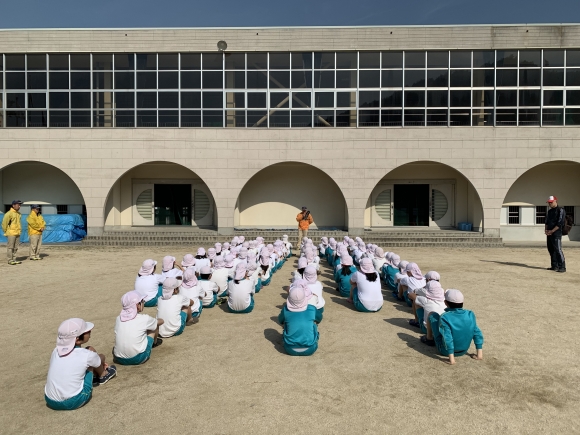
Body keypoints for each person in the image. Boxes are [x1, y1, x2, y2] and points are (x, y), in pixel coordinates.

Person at [44, 318, 117, 411]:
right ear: (77, 339)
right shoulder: (86, 354)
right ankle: (103, 374)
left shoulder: (55, 351)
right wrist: (102, 358)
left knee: (87, 359)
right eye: (87, 331)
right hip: (74, 401)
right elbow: (98, 361)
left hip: (50, 400)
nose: (90, 332)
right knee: (90, 353)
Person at [428, 289, 484, 365]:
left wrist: (452, 360)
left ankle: (429, 338)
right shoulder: (470, 314)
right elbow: (477, 332)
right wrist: (479, 355)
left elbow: (447, 337)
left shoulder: (445, 317)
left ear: (445, 303)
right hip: (464, 350)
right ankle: (479, 354)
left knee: (432, 315)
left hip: (445, 351)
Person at [113, 291, 164, 365]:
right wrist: (160, 320)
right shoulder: (144, 318)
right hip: (137, 358)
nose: (144, 302)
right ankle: (155, 342)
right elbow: (160, 322)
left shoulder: (118, 319)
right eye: (142, 301)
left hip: (118, 358)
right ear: (137, 305)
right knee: (152, 328)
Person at [278, 280, 322, 356]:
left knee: (286, 325)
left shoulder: (286, 310)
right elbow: (319, 318)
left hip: (289, 349)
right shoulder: (311, 308)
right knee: (313, 325)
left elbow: (280, 320)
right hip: (310, 349)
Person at [545, 196, 566, 273]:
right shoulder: (550, 211)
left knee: (558, 249)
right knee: (551, 249)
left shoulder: (561, 210)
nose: (550, 204)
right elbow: (546, 222)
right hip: (549, 233)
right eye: (549, 203)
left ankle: (562, 267)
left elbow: (560, 223)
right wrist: (546, 230)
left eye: (551, 202)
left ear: (555, 201)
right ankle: (554, 266)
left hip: (556, 233)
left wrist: (552, 231)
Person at [3, 199, 23, 265]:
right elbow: (4, 224)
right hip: (11, 233)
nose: (19, 206)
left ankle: (14, 259)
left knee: (16, 247)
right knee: (10, 247)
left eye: (20, 205)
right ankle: (10, 259)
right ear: (13, 205)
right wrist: (6, 232)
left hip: (17, 233)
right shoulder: (8, 213)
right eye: (18, 205)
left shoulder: (19, 214)